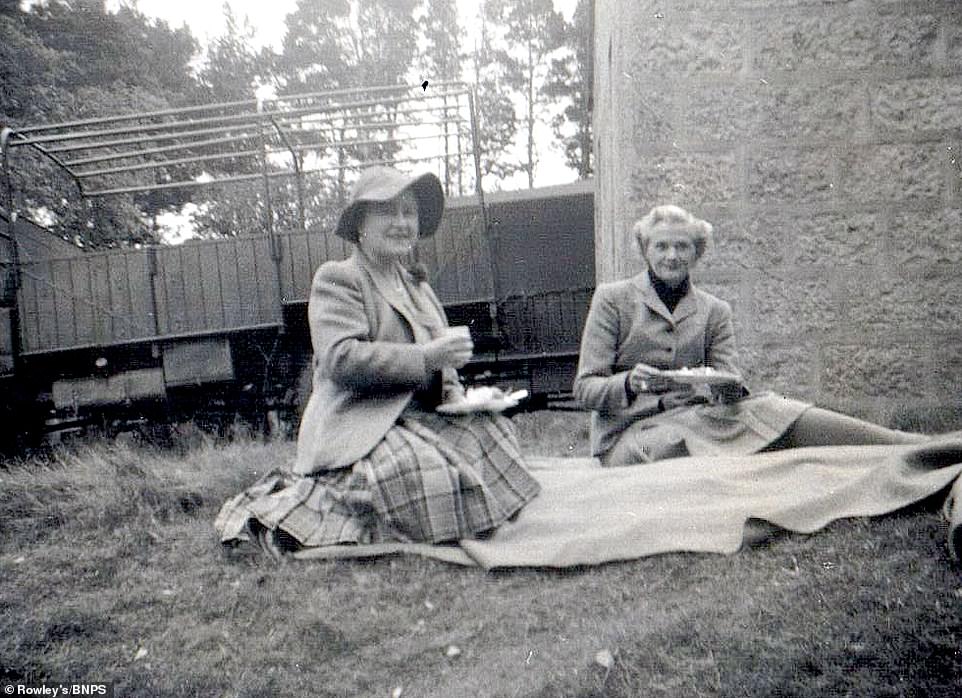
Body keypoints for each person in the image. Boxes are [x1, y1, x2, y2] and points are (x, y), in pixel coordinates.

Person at [216, 166, 539, 552]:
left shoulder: (417, 286)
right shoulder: (339, 278)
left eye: (409, 212)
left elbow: (442, 364)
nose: (402, 223)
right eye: (388, 212)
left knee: (492, 432)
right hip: (359, 421)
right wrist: (425, 357)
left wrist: (463, 397)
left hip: (416, 416)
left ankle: (459, 512)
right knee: (420, 468)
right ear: (360, 225)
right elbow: (341, 359)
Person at [574, 204, 927, 467]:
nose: (672, 256)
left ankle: (905, 443)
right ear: (645, 250)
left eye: (682, 247)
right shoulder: (613, 299)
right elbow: (585, 389)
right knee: (672, 444)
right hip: (628, 435)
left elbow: (730, 381)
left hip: (697, 419)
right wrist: (629, 384)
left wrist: (723, 386)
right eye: (661, 246)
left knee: (770, 409)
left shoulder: (714, 310)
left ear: (697, 253)